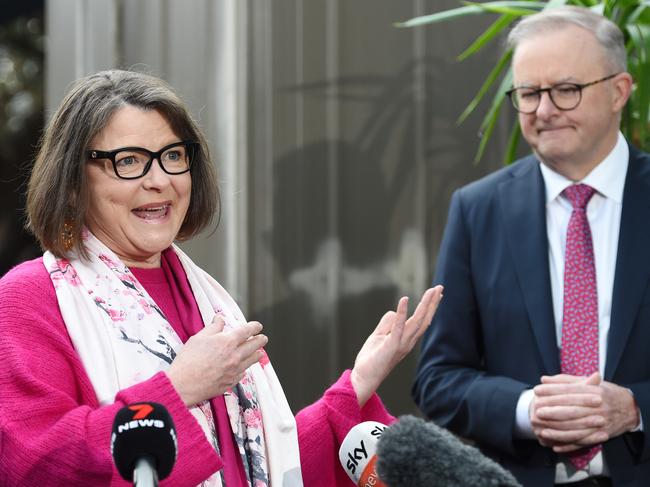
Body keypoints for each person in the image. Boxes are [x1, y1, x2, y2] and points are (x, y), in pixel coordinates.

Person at [0, 69, 443, 487]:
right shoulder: (30, 298)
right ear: (74, 181)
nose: (159, 180)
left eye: (173, 156)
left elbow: (256, 468)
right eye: (129, 160)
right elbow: (34, 464)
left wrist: (356, 385)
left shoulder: (207, 299)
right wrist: (177, 390)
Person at [413, 6, 650, 487]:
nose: (544, 110)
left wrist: (634, 408)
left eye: (566, 90)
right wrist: (527, 409)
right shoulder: (478, 210)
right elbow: (437, 378)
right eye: (528, 94)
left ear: (619, 92)